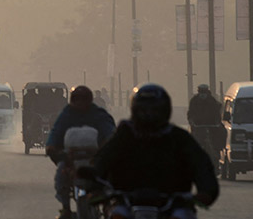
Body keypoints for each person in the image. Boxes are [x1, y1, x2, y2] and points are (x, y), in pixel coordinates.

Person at [87, 84, 219, 219]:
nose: (149, 115)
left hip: (173, 205)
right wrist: (92, 183)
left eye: (154, 110)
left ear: (165, 110)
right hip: (127, 203)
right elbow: (102, 159)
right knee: (117, 214)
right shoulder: (124, 136)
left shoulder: (178, 137)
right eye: (144, 110)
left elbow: (201, 165)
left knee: (182, 216)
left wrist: (207, 191)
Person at [46, 85, 116, 219]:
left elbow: (110, 133)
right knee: (61, 174)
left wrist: (108, 147)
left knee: (110, 178)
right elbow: (56, 132)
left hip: (95, 158)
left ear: (90, 100)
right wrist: (51, 146)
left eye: (84, 99)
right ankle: (66, 208)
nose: (80, 103)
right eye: (77, 99)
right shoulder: (67, 114)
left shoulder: (99, 114)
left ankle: (108, 207)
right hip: (71, 159)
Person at [187, 84, 222, 156]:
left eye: (204, 92)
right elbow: (190, 113)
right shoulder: (194, 101)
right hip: (198, 126)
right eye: (201, 92)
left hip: (212, 126)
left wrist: (218, 122)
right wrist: (191, 122)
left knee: (221, 133)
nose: (203, 94)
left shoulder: (212, 101)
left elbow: (217, 113)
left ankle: (218, 151)